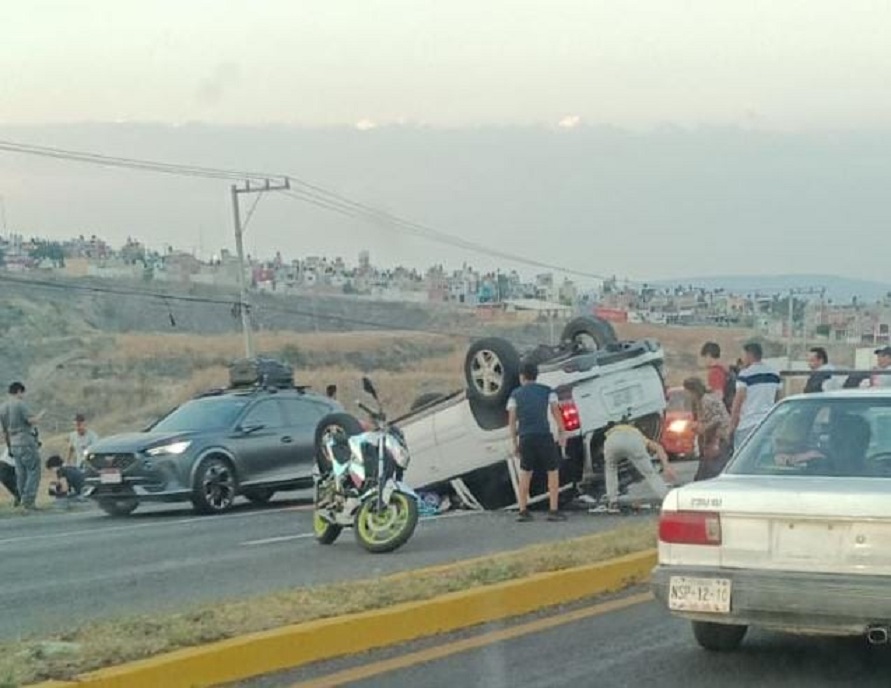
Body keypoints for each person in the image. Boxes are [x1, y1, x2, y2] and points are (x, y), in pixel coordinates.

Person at [507, 361, 567, 522]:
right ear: (536, 375)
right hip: (543, 436)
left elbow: (512, 421)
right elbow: (556, 411)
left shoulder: (515, 394)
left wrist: (514, 443)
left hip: (526, 437)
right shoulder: (547, 391)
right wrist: (562, 431)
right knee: (552, 472)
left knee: (525, 473)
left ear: (522, 376)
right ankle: (553, 511)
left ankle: (523, 510)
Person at [598, 419, 676, 513]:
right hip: (633, 442)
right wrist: (666, 466)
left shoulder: (611, 431)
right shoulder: (636, 433)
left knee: (611, 469)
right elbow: (658, 448)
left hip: (611, 441)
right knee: (650, 474)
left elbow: (602, 450)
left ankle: (612, 501)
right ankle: (665, 497)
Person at [0, 382, 45, 511]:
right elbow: (31, 421)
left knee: (20, 473)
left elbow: (4, 431)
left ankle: (21, 499)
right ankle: (29, 501)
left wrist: (9, 447)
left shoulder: (2, 408)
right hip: (26, 441)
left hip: (13, 444)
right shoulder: (20, 404)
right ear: (19, 391)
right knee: (33, 470)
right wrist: (40, 416)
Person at [730, 342, 781, 450]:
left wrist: (732, 425)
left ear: (749, 355)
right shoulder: (774, 374)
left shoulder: (745, 374)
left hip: (748, 424)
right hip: (767, 423)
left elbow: (738, 402)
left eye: (743, 355)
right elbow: (777, 399)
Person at [683, 377, 731, 481]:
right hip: (714, 437)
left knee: (714, 469)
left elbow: (717, 419)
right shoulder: (702, 400)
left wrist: (703, 428)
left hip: (719, 437)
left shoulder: (706, 401)